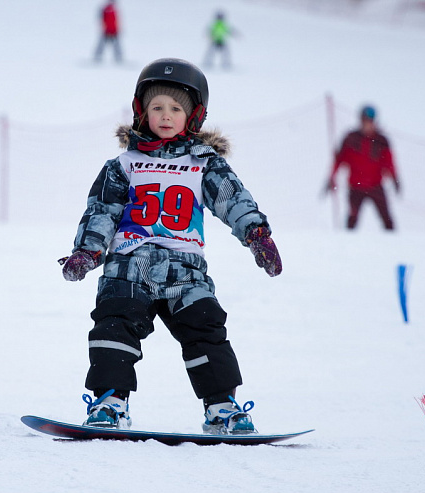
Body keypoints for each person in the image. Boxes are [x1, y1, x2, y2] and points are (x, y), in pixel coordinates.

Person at [60, 58, 282, 435]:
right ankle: (110, 402)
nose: (166, 115)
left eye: (176, 109)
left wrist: (257, 235)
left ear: (193, 116)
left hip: (186, 272)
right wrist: (87, 251)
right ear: (141, 112)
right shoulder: (124, 165)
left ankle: (221, 407)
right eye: (157, 107)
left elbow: (233, 199)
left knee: (206, 327)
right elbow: (102, 211)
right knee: (114, 324)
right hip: (128, 268)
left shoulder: (204, 164)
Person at [326, 105, 401, 230]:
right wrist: (331, 177)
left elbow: (389, 162)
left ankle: (393, 240)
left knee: (387, 220)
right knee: (352, 220)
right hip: (356, 186)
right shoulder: (351, 139)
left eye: (370, 121)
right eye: (365, 121)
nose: (367, 124)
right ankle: (347, 241)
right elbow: (339, 160)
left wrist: (395, 179)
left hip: (375, 185)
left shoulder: (381, 141)